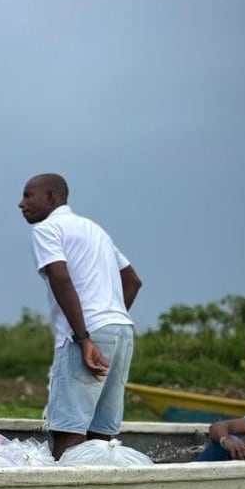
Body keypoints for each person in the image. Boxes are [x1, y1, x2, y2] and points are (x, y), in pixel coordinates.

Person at [19, 173, 143, 460]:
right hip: (121, 330)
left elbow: (60, 278)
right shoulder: (95, 230)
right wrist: (108, 319)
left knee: (69, 431)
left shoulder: (47, 230)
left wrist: (85, 337)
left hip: (87, 334)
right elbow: (133, 281)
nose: (21, 203)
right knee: (101, 435)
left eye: (28, 195)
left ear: (51, 197)